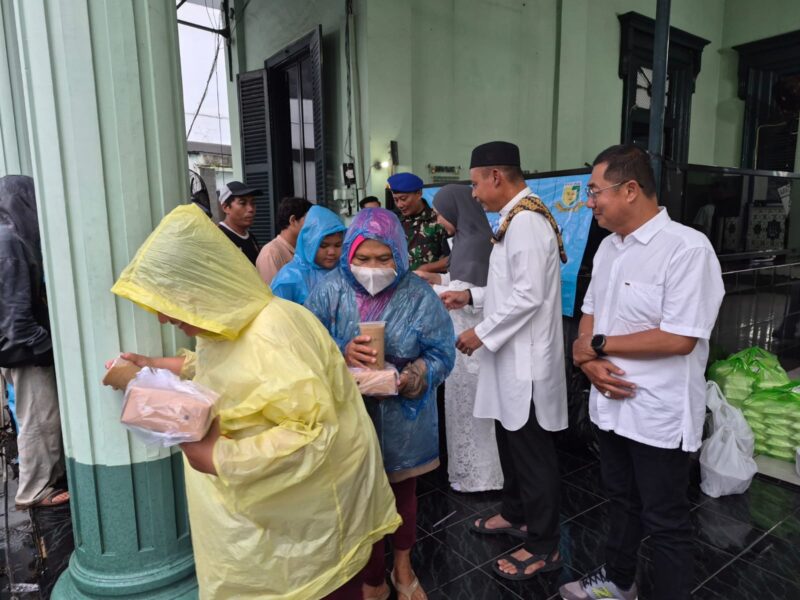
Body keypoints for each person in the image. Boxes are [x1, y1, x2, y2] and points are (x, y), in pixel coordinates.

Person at [110, 204, 401, 599]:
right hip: (266, 525)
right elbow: (225, 370)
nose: (162, 317)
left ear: (204, 287)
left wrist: (218, 456)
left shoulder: (273, 332)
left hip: (304, 531)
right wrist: (155, 366)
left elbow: (313, 435)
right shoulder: (224, 324)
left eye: (170, 300)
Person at [560, 145, 725, 600]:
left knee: (666, 520)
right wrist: (591, 363)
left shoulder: (687, 249)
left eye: (595, 191)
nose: (590, 201)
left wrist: (593, 347)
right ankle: (619, 580)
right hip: (610, 407)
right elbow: (591, 310)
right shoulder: (611, 249)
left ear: (630, 189)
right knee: (620, 500)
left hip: (657, 412)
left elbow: (680, 337)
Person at [305, 207, 455, 600]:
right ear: (349, 255)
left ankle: (402, 570)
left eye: (384, 258)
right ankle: (372, 577)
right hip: (350, 417)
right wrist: (341, 351)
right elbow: (304, 349)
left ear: (400, 256)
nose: (373, 268)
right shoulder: (329, 291)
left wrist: (414, 376)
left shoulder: (418, 294)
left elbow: (443, 352)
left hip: (405, 418)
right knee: (359, 502)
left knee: (403, 498)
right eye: (363, 258)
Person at [440, 141, 568, 581]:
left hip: (525, 363)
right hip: (511, 358)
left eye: (476, 182)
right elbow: (513, 288)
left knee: (531, 451)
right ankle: (516, 513)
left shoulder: (528, 222)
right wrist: (472, 296)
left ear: (496, 176)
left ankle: (545, 542)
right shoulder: (514, 219)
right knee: (512, 444)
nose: (474, 193)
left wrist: (481, 331)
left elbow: (529, 296)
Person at [417, 184, 503, 493]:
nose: (438, 221)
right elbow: (460, 280)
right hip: (460, 339)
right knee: (462, 408)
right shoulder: (465, 241)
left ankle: (482, 477)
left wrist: (431, 289)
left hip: (474, 340)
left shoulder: (479, 243)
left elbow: (476, 295)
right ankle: (467, 472)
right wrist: (433, 279)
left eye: (440, 214)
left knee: (475, 410)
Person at [0, 175, 69, 509]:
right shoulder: (10, 242)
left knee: (36, 417)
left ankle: (46, 480)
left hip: (14, 350)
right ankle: (34, 491)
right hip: (25, 352)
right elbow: (18, 317)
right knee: (39, 420)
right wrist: (49, 347)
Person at [271, 205, 346, 305]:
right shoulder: (289, 277)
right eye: (323, 245)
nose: (332, 252)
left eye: (338, 245)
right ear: (309, 244)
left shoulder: (346, 272)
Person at [388, 172, 450, 273]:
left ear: (419, 194)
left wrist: (426, 269)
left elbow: (453, 258)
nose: (399, 205)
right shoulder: (394, 222)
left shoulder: (439, 220)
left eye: (403, 199)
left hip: (429, 284)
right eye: (395, 200)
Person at [256, 196, 312, 284]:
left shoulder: (304, 248)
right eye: (309, 219)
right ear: (293, 220)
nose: (313, 224)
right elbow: (273, 293)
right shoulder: (271, 252)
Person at [217, 180, 261, 264]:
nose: (251, 209)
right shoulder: (218, 237)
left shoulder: (251, 237)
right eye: (243, 203)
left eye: (253, 203)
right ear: (226, 207)